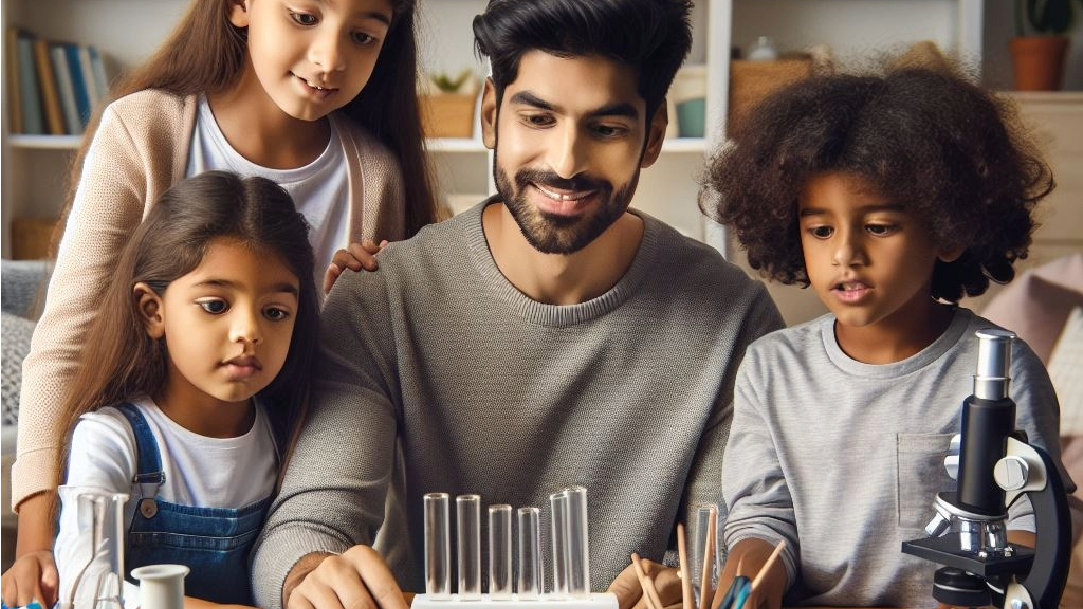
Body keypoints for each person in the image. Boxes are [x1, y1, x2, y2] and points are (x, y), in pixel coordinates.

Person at [249, 1, 783, 609]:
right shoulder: (381, 298)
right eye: (537, 118)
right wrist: (309, 575)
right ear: (489, 115)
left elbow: (738, 543)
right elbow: (307, 521)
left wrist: (702, 589)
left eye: (606, 129)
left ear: (653, 136)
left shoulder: (734, 321)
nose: (565, 163)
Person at [2, 0, 439, 605]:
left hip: (274, 496)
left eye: (363, 36)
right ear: (240, 6)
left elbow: (352, 384)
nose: (330, 58)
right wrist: (34, 543)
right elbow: (67, 340)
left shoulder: (375, 175)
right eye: (304, 16)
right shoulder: (145, 130)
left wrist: (349, 306)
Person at [705, 67, 1077, 608]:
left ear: (949, 231)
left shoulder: (1000, 367)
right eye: (821, 229)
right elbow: (765, 517)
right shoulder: (772, 367)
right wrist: (744, 590)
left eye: (878, 227)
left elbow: (1033, 524)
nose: (845, 254)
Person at [49, 171, 319, 608]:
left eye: (275, 311)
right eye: (215, 305)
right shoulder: (112, 438)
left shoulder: (288, 434)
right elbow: (85, 588)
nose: (248, 332)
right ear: (153, 311)